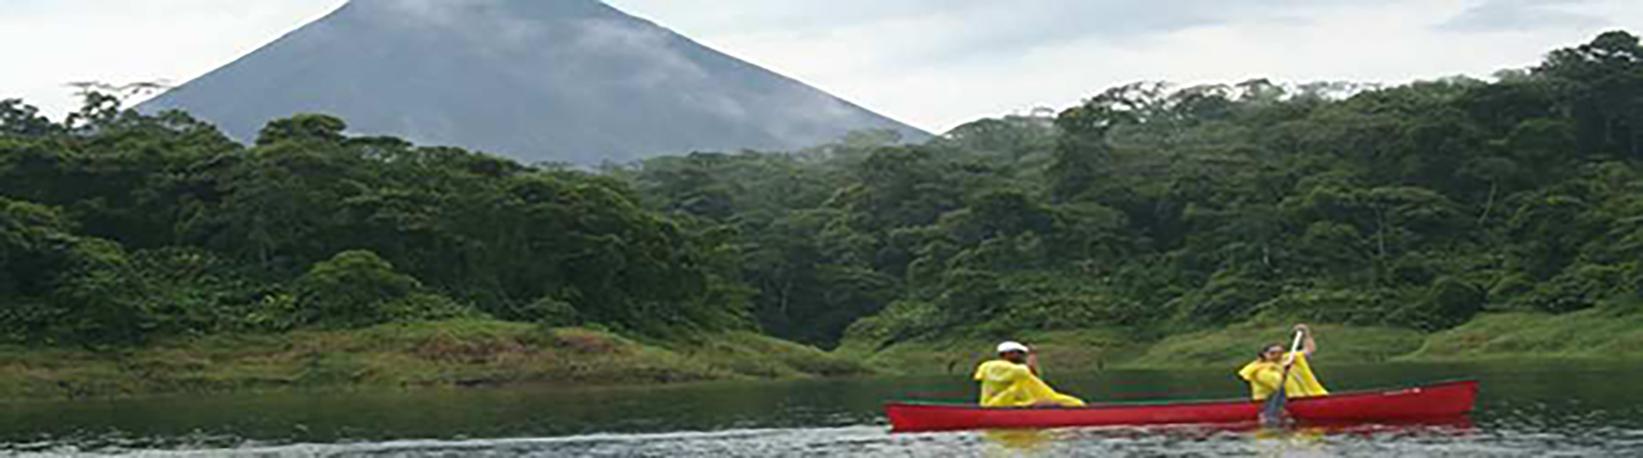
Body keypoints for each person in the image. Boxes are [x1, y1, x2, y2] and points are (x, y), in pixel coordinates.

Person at [974, 341, 1086, 407]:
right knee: (1072, 403)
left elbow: (1031, 375)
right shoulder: (995, 366)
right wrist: (1031, 358)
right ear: (1008, 354)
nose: (1022, 356)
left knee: (1076, 403)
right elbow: (1024, 372)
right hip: (997, 405)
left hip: (1014, 403)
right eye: (1019, 353)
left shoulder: (1014, 368)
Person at [1237, 324, 1329, 401]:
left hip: (1305, 398)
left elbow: (1309, 350)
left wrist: (1306, 334)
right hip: (1275, 402)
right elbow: (1278, 383)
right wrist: (1284, 370)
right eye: (1273, 353)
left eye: (1280, 352)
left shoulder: (1286, 358)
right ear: (1263, 355)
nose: (1277, 355)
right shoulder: (1259, 371)